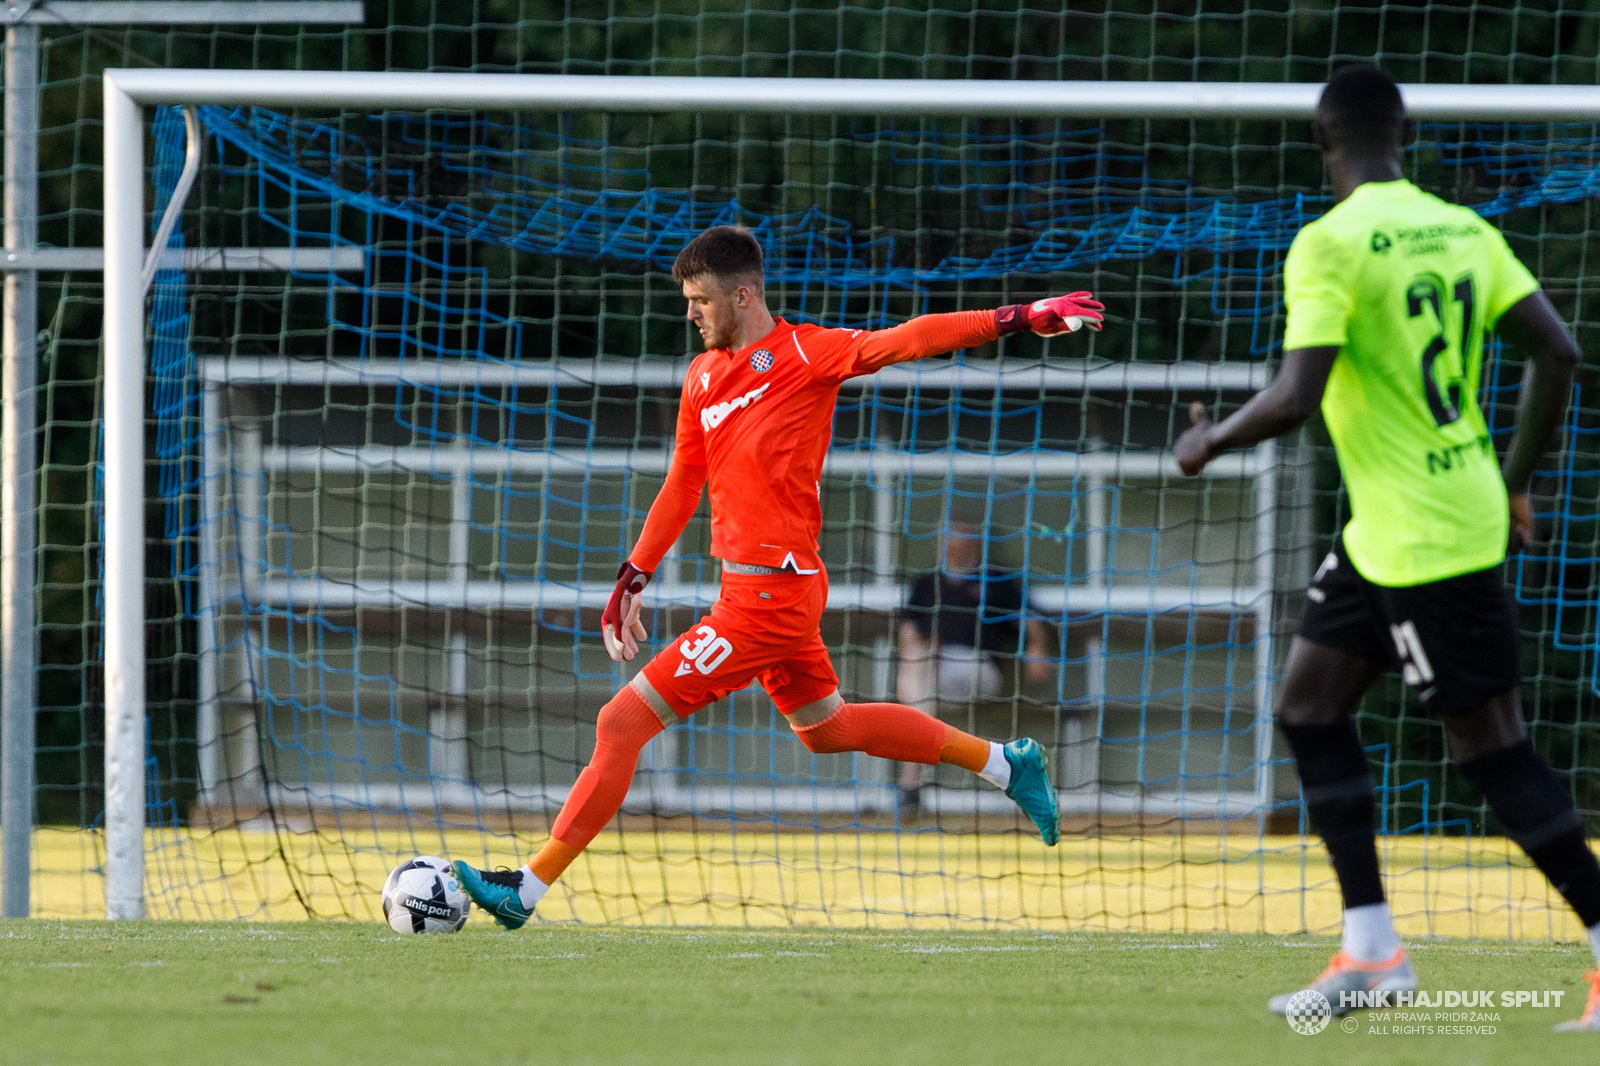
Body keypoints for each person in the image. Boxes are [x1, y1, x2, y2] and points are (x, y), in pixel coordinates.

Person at [454, 225, 1104, 929]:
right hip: (752, 589)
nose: (692, 313)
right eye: (688, 301)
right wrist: (634, 575)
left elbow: (910, 337)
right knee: (828, 728)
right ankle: (1008, 766)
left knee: (621, 721)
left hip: (770, 597)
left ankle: (526, 888)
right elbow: (684, 480)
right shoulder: (702, 377)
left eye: (701, 300)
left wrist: (1018, 316)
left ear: (744, 294)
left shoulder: (804, 351)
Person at [1174, 64, 1600, 1030]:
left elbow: (1297, 393)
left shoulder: (1329, 244)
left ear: (1325, 143)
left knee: (1490, 746)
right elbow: (1560, 352)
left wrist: (1206, 442)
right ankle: (1372, 952)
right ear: (1400, 137)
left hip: (1427, 544)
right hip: (1394, 531)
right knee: (1308, 705)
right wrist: (1517, 476)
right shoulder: (1464, 229)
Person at [895, 522, 1052, 816]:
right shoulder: (927, 584)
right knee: (918, 685)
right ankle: (912, 787)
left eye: (964, 539)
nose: (956, 545)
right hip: (932, 675)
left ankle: (909, 785)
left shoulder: (996, 580)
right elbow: (907, 632)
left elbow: (1029, 619)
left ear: (977, 544)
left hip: (977, 669)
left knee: (915, 699)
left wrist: (1037, 648)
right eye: (950, 539)